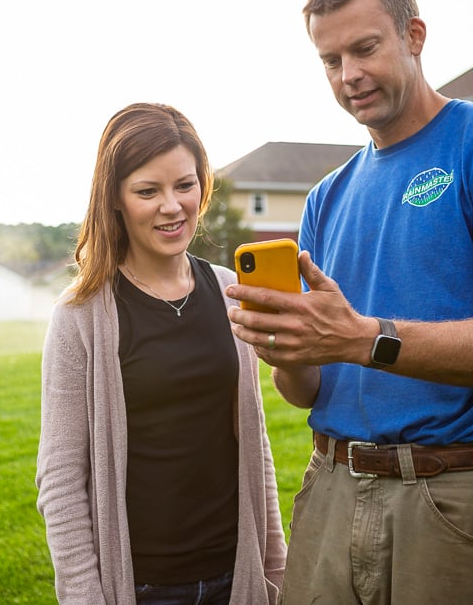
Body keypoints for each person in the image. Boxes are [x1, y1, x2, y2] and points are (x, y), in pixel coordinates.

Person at [225, 0, 473, 605]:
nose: (348, 75)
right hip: (328, 487)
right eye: (329, 60)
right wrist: (287, 350)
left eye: (365, 48)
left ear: (414, 34)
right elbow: (304, 391)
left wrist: (361, 338)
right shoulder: (327, 195)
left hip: (448, 497)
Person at [36, 103, 286, 604]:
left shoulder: (232, 292)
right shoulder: (81, 315)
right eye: (148, 191)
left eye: (185, 185)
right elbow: (60, 478)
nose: (172, 206)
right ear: (115, 201)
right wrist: (85, 597)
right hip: (141, 586)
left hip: (233, 575)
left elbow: (253, 442)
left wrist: (274, 561)